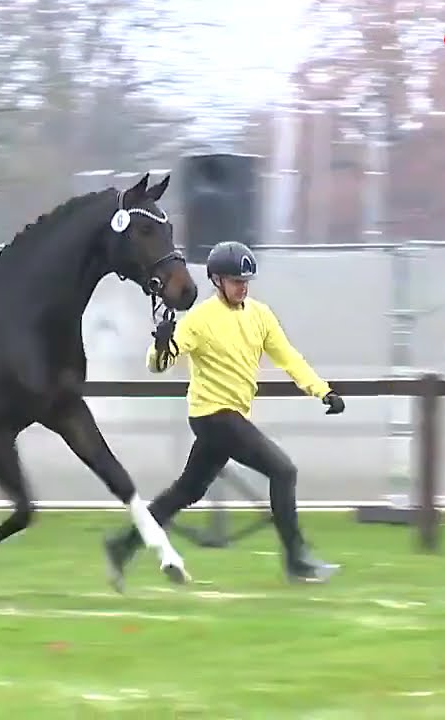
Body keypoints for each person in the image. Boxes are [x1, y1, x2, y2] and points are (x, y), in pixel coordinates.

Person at [104, 240, 345, 587]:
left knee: (186, 491)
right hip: (213, 415)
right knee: (283, 470)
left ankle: (121, 546)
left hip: (229, 418)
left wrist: (323, 390)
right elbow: (160, 364)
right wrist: (160, 344)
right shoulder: (200, 319)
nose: (242, 287)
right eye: (235, 281)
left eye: (246, 281)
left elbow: (288, 357)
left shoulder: (260, 315)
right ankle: (297, 559)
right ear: (217, 280)